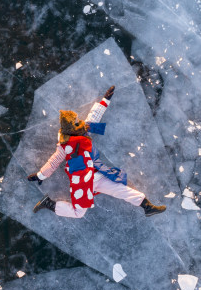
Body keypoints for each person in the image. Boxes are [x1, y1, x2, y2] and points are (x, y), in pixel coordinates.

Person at [27, 85, 167, 218]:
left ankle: (147, 206)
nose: (81, 123)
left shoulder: (82, 132)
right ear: (70, 129)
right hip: (81, 182)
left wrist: (105, 100)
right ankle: (48, 203)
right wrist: (40, 175)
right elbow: (54, 162)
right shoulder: (64, 146)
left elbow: (93, 117)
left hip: (95, 175)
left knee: (121, 190)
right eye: (76, 123)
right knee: (79, 213)